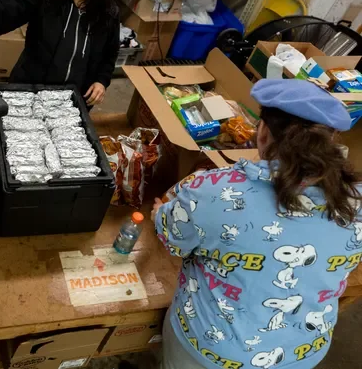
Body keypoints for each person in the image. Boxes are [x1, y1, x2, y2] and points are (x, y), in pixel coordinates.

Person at [151, 79, 361, 369]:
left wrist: (161, 213)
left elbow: (171, 237)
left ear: (261, 133)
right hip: (300, 356)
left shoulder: (214, 191)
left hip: (212, 352)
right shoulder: (356, 198)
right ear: (334, 137)